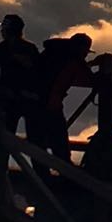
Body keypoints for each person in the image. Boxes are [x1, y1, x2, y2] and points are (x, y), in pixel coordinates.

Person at [33, 32, 99, 161]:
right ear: (80, 49)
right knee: (60, 145)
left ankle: (40, 176)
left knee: (37, 144)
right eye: (85, 52)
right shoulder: (73, 59)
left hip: (33, 102)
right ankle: (64, 175)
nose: (85, 55)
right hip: (50, 105)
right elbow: (90, 78)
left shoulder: (52, 52)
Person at [0, 13, 41, 134]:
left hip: (10, 98)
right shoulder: (30, 48)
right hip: (27, 97)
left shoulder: (0, 49)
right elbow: (39, 72)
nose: (1, 31)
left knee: (6, 136)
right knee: (33, 137)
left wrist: (0, 91)